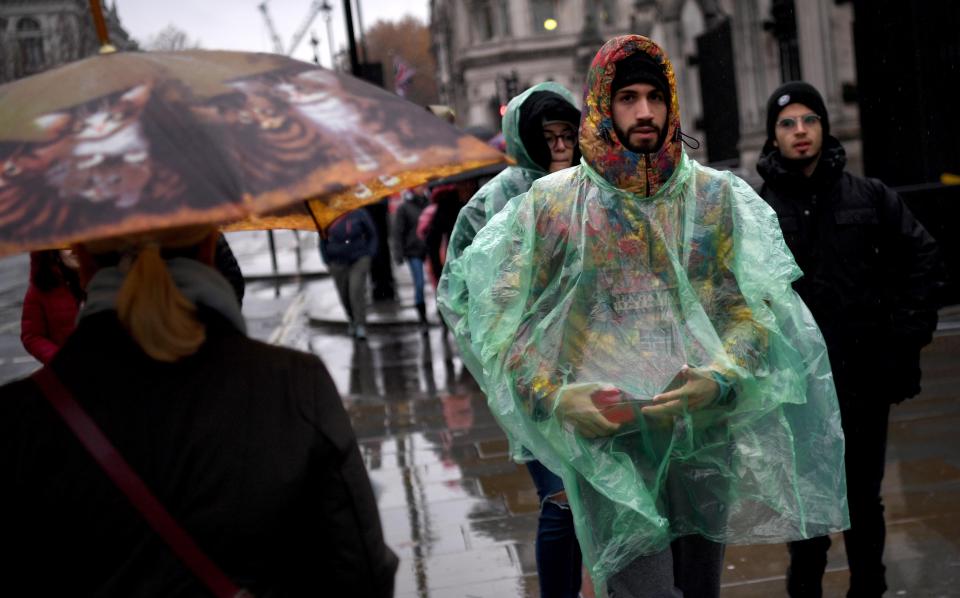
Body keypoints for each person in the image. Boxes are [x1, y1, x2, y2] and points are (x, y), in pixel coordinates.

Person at [440, 34, 850, 597]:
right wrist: (555, 397)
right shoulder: (552, 208)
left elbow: (758, 315)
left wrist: (722, 379)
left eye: (655, 97)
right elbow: (501, 328)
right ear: (603, 105)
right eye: (628, 97)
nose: (644, 112)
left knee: (699, 588)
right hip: (612, 443)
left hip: (702, 436)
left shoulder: (713, 199)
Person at [0, 225, 398, 596]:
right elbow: (361, 573)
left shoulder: (19, 421)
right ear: (209, 247)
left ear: (82, 261)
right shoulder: (293, 385)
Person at [757, 81, 943, 597]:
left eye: (809, 121)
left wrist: (904, 341)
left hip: (865, 376)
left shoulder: (870, 196)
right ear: (773, 136)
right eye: (788, 123)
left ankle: (870, 588)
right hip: (799, 391)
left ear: (824, 126)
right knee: (810, 508)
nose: (800, 132)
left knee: (865, 499)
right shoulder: (758, 210)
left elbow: (922, 260)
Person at [439, 81, 585, 598]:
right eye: (549, 136)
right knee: (561, 497)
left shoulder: (593, 188)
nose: (561, 146)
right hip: (530, 375)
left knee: (592, 499)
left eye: (569, 134)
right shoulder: (495, 200)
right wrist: (504, 349)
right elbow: (458, 291)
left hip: (594, 368)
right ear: (528, 139)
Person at [320, 208, 379, 340]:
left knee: (356, 291)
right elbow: (322, 240)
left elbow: (372, 234)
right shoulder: (326, 216)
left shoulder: (359, 213)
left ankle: (360, 325)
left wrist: (369, 254)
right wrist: (327, 261)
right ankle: (352, 319)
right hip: (338, 263)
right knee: (344, 295)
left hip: (359, 260)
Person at [21, 249, 85, 364]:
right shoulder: (42, 288)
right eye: (67, 246)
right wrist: (60, 361)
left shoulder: (105, 276)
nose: (74, 249)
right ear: (54, 253)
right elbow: (32, 336)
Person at [393, 188, 430, 331]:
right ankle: (423, 318)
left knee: (437, 283)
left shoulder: (429, 202)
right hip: (413, 251)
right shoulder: (404, 208)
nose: (421, 188)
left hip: (429, 249)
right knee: (419, 283)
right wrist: (398, 254)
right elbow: (398, 232)